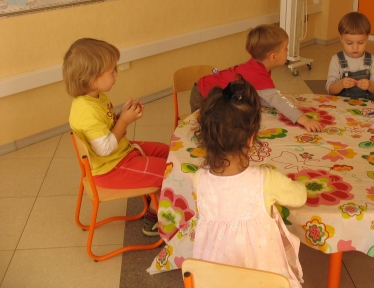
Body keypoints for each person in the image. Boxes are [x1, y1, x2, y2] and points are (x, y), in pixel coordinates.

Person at [192, 77, 307, 288]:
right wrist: (300, 183)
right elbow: (300, 197)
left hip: (215, 280)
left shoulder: (198, 179)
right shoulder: (266, 180)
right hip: (262, 280)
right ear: (250, 139)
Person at [63, 38, 170, 236]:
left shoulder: (94, 97)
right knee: (170, 172)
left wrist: (121, 116)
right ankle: (153, 217)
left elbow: (104, 129)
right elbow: (104, 149)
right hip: (112, 168)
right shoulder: (87, 111)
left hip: (121, 153)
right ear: (92, 79)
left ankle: (154, 192)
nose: (116, 74)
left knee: (169, 152)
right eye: (112, 71)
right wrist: (124, 121)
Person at [190, 24, 323, 132]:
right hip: (204, 96)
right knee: (211, 131)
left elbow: (262, 93)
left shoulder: (257, 66)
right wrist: (304, 120)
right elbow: (279, 102)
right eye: (285, 48)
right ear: (273, 56)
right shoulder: (257, 75)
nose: (287, 51)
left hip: (207, 89)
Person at [326, 12, 374, 100]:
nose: (355, 47)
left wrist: (370, 85)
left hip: (367, 105)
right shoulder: (336, 60)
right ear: (341, 39)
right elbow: (330, 90)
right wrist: (341, 84)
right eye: (349, 43)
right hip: (342, 105)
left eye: (361, 42)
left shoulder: (372, 60)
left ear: (367, 38)